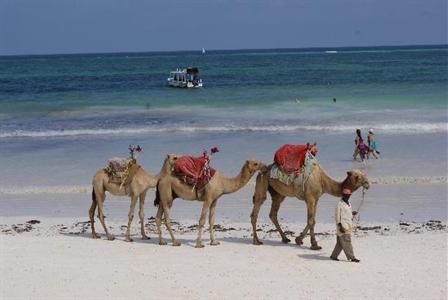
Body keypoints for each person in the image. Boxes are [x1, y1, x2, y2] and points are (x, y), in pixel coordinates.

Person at [330, 188, 360, 263]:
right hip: (343, 227)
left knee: (340, 244)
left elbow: (347, 213)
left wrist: (352, 213)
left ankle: (333, 256)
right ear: (343, 195)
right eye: (346, 195)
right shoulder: (339, 205)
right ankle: (352, 257)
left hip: (348, 225)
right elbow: (337, 217)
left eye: (349, 195)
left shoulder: (349, 203)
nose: (348, 196)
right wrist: (340, 226)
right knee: (347, 242)